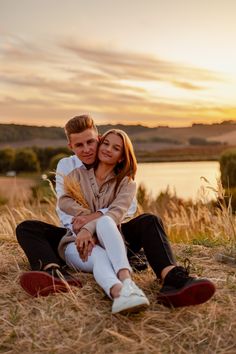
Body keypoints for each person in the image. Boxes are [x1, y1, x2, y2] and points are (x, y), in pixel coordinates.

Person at [16, 115, 216, 308]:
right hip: (75, 233)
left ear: (99, 138)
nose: (86, 149)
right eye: (79, 145)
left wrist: (91, 222)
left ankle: (172, 276)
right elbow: (64, 205)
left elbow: (126, 209)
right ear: (71, 146)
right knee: (27, 228)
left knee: (149, 220)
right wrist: (85, 229)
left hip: (115, 231)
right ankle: (54, 274)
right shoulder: (69, 168)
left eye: (91, 142)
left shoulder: (124, 179)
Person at [55, 128, 150, 314]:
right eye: (105, 144)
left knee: (106, 222)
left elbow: (116, 213)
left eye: (116, 148)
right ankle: (121, 292)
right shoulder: (77, 175)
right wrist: (83, 216)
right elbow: (64, 201)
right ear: (99, 144)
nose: (107, 149)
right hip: (75, 243)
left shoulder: (127, 184)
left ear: (122, 157)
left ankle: (126, 285)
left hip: (107, 239)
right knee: (99, 255)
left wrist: (87, 228)